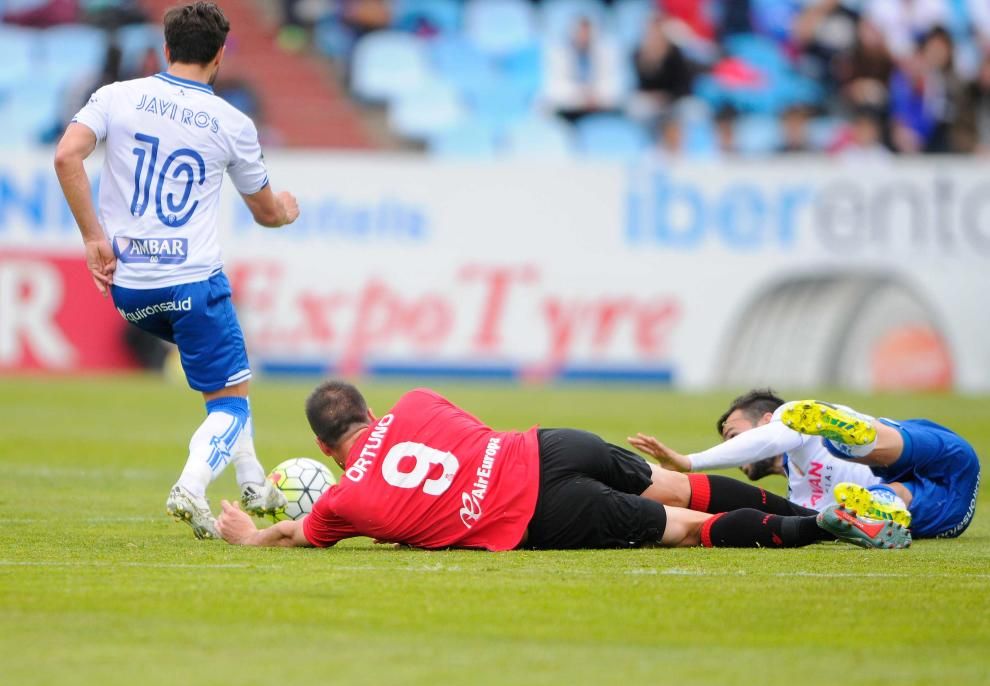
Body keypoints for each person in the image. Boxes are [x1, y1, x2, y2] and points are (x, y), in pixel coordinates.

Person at [54, 2, 300, 539]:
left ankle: (255, 482)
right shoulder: (233, 123)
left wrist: (94, 238)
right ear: (219, 56)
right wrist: (287, 207)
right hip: (192, 282)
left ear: (165, 50)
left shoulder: (117, 96)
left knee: (229, 383)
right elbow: (266, 214)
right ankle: (191, 486)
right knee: (232, 403)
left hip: (129, 290)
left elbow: (66, 156)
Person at [215, 382, 911, 551]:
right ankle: (843, 511)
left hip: (534, 512)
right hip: (548, 445)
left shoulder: (345, 501)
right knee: (686, 484)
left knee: (690, 526)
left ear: (326, 448)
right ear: (368, 409)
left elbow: (295, 532)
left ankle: (828, 524)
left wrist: (253, 535)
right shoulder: (421, 400)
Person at [629, 390, 980, 539]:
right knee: (870, 500)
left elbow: (771, 438)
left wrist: (690, 462)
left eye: (733, 435)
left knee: (842, 443)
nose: (732, 451)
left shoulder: (795, 422)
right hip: (944, 511)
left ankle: (858, 437)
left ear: (767, 419)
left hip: (939, 455)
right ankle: (883, 502)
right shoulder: (801, 500)